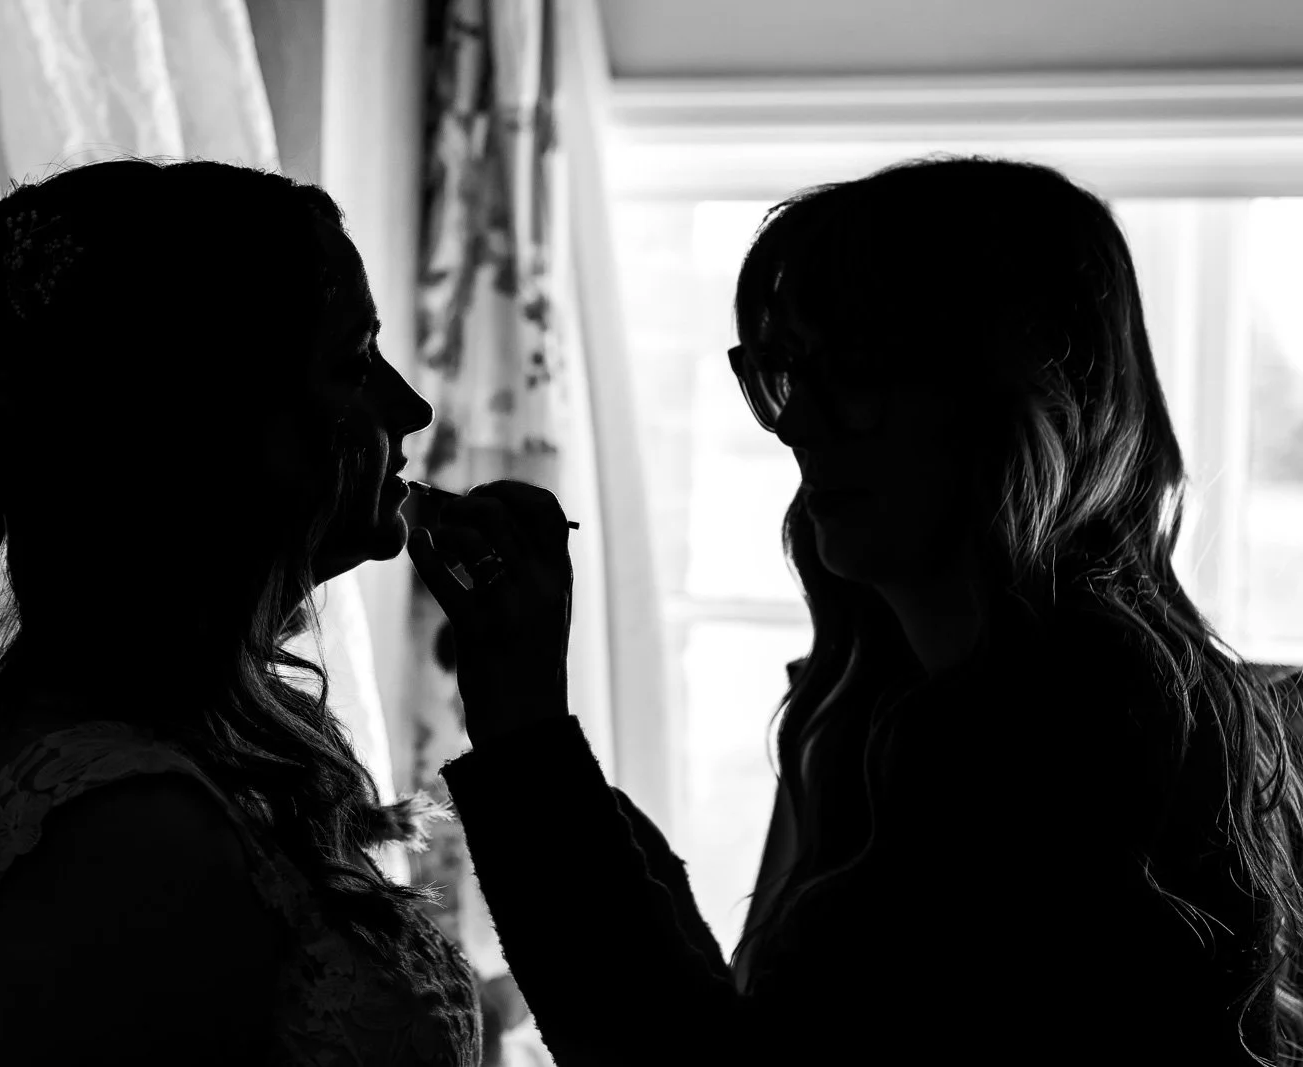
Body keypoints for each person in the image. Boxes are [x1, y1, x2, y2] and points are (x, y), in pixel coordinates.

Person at [412, 156, 1303, 1065]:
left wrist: (525, 734)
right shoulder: (873, 706)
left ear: (1014, 393)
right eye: (783, 371)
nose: (797, 423)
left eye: (855, 370)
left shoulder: (1067, 743)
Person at [0, 158, 483, 1065]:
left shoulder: (201, 751)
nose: (409, 408)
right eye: (353, 363)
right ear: (212, 426)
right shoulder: (125, 843)